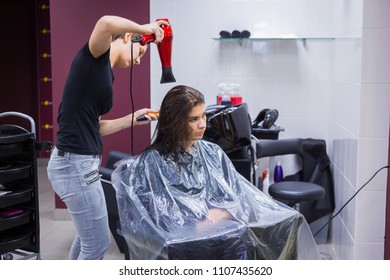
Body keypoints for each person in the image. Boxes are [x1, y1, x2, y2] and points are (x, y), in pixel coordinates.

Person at [112, 85, 321, 260]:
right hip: (184, 239)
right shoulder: (152, 163)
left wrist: (221, 215)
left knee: (289, 222)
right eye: (193, 119)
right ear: (174, 122)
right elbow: (160, 220)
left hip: (221, 224)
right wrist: (203, 223)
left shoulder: (211, 152)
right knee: (236, 241)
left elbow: (239, 195)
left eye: (203, 116)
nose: (202, 124)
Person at [47, 15, 168, 260]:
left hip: (80, 164)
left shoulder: (103, 72)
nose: (139, 59)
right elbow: (104, 22)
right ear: (126, 38)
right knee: (97, 244)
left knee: (86, 238)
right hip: (74, 165)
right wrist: (145, 28)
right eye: (140, 51)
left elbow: (94, 127)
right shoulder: (94, 57)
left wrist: (133, 118)